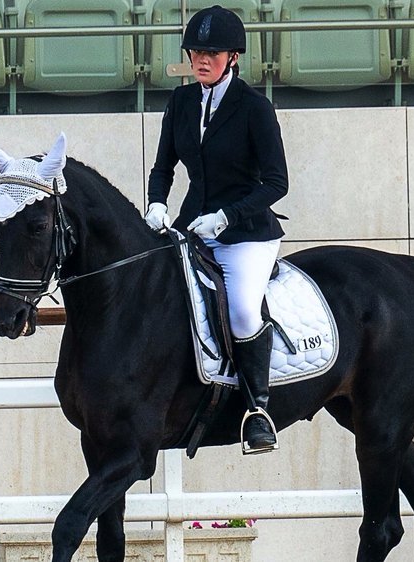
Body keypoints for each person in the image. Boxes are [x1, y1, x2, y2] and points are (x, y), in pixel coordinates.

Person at [144, 5, 288, 454]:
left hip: (246, 234)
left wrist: (228, 216)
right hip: (191, 228)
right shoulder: (181, 102)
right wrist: (156, 203)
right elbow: (164, 165)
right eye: (195, 51)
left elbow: (277, 183)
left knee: (244, 311)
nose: (201, 59)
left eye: (212, 52)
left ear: (233, 57)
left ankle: (256, 410)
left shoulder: (254, 108)